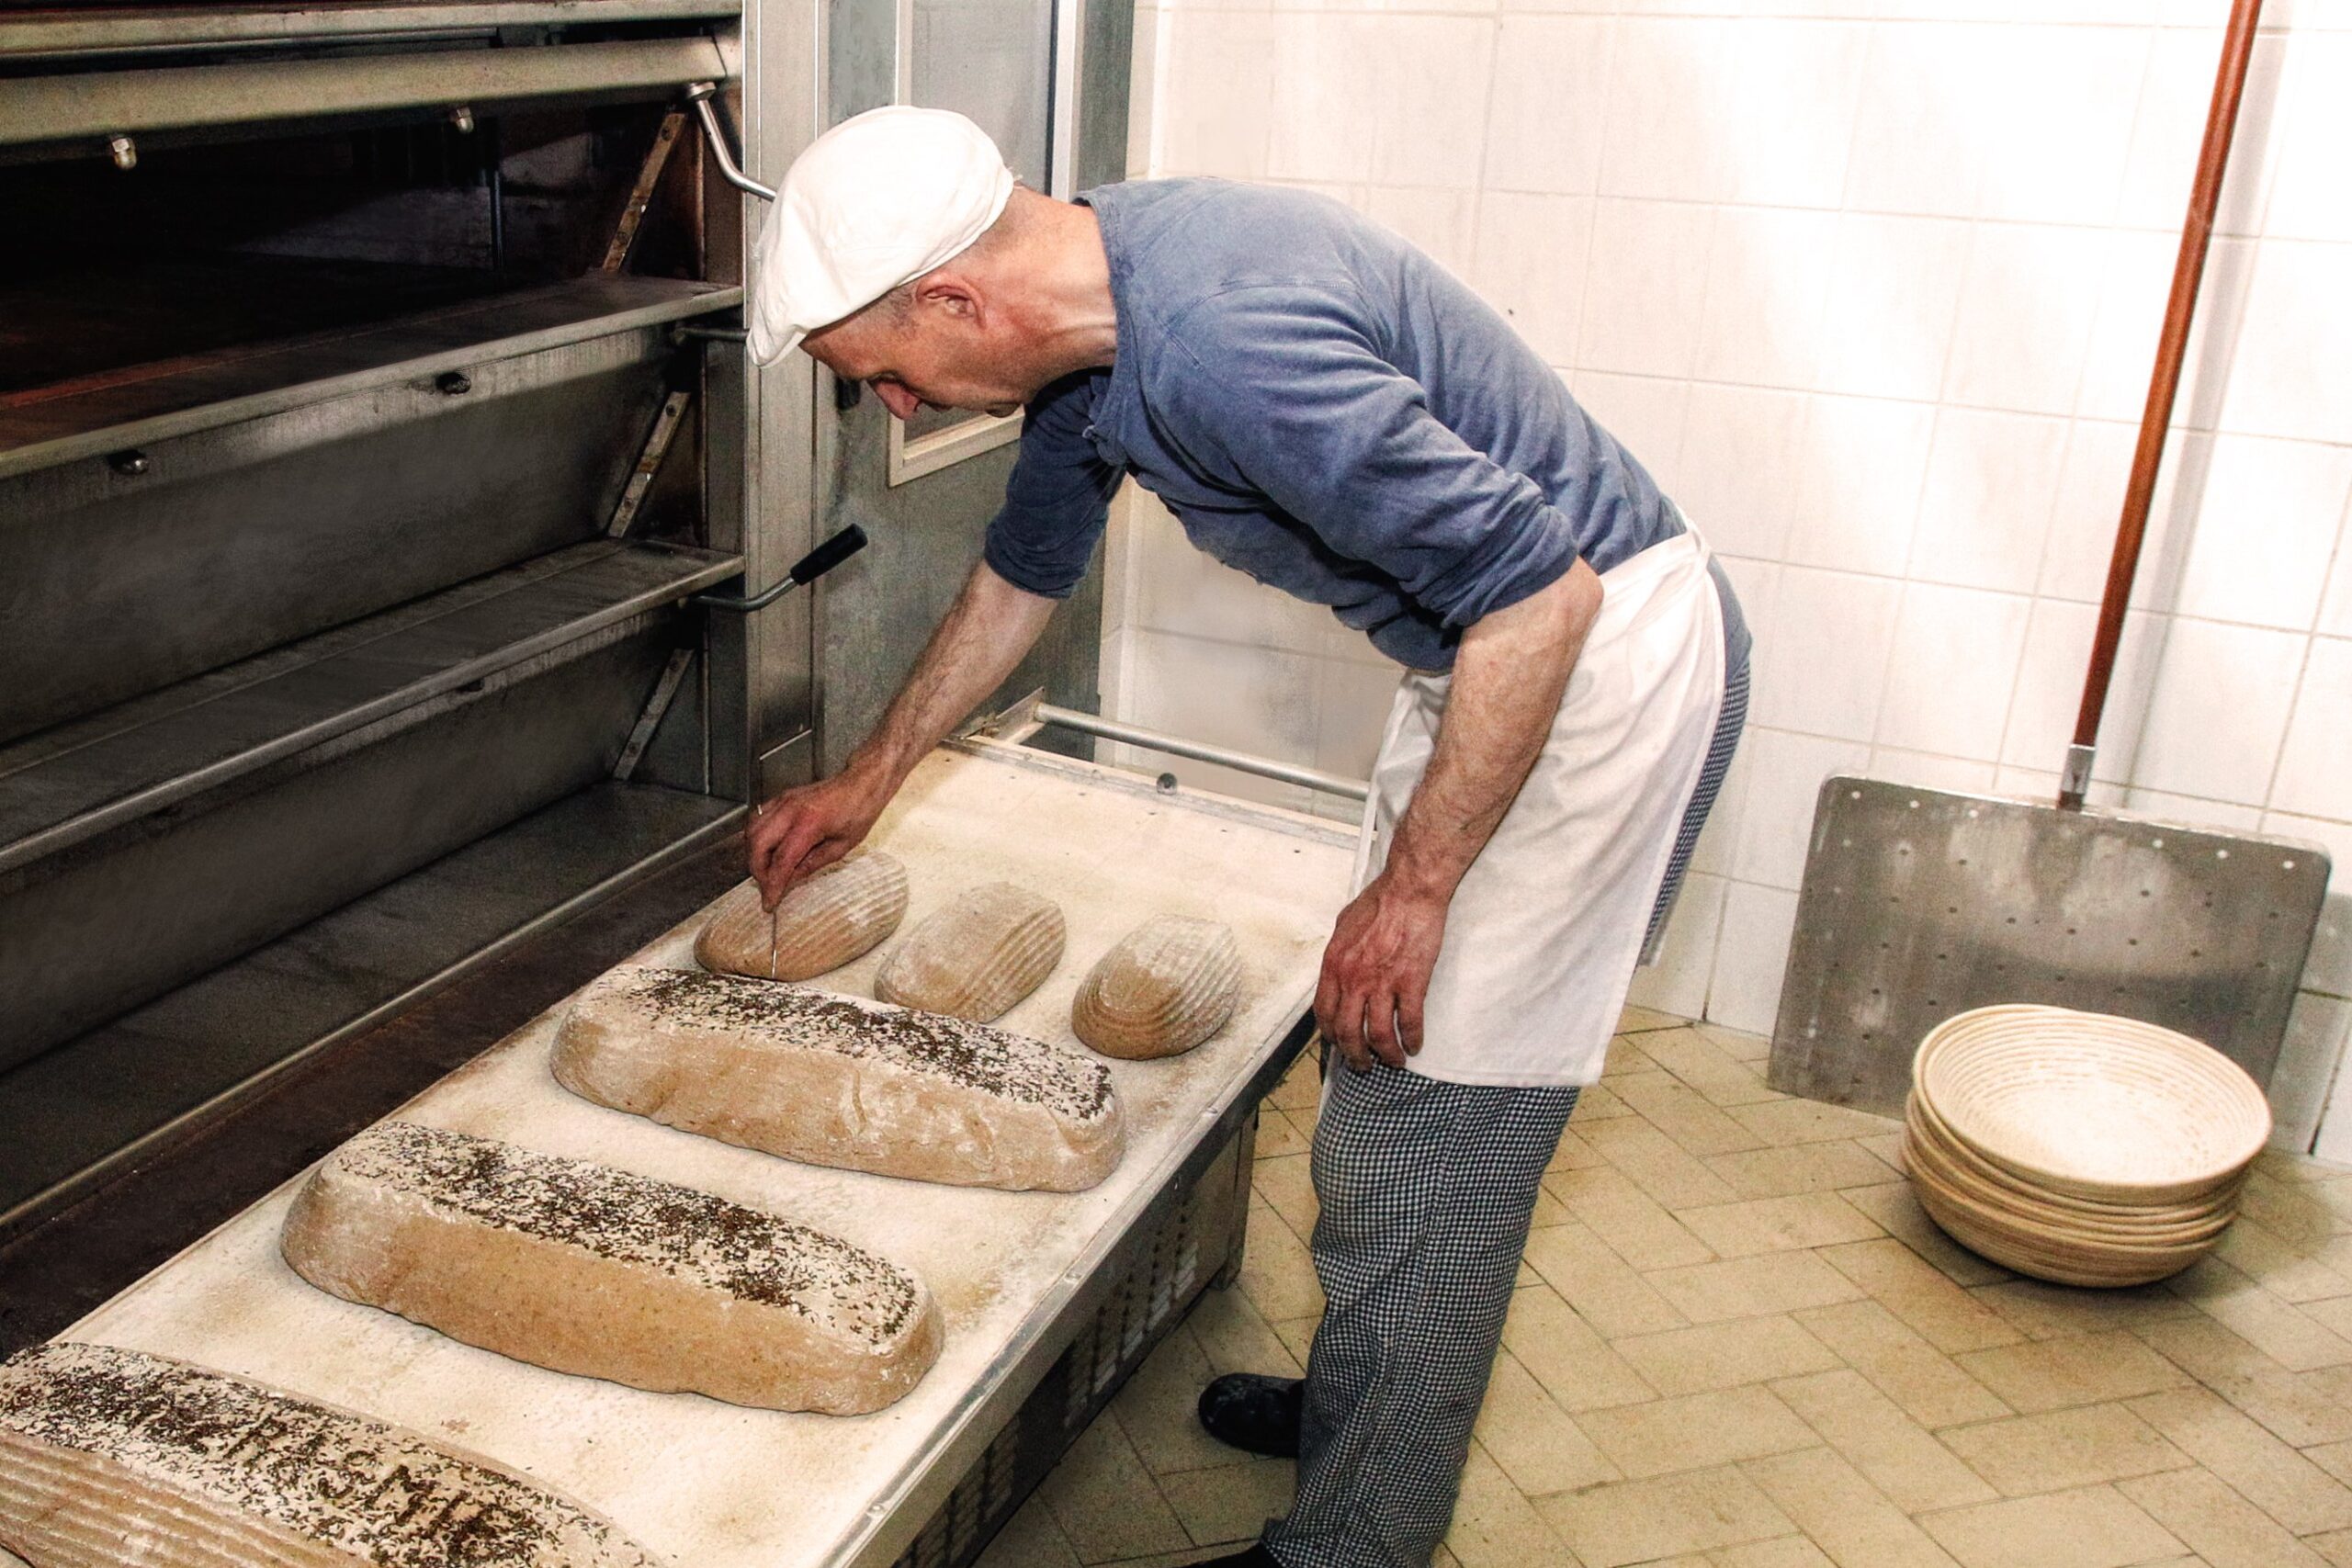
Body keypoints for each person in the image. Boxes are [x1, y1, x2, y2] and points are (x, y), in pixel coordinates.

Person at [741, 106, 1750, 1568]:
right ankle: (1371, 1404)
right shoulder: (1109, 295)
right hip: (1493, 651)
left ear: (957, 297)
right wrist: (870, 781)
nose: (898, 409)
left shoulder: (1222, 349)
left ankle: (1354, 1546)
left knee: (1435, 1136)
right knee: (1382, 1066)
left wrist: (1416, 892)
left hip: (1591, 672)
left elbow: (1545, 599)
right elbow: (1026, 571)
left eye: (888, 374)